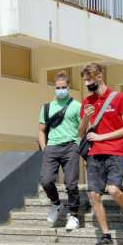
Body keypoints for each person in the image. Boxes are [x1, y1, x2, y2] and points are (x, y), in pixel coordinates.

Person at [78, 63, 123, 245]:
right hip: (94, 153)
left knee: (113, 190)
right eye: (85, 80)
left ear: (99, 78)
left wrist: (102, 136)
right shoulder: (87, 102)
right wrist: (86, 118)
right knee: (94, 195)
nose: (87, 84)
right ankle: (105, 235)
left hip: (115, 152)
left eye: (89, 80)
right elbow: (81, 133)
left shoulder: (119, 98)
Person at [38, 71, 81, 231]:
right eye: (58, 87)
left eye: (63, 87)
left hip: (70, 146)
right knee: (46, 180)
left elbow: (83, 128)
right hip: (52, 148)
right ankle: (56, 204)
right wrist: (45, 148)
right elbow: (41, 130)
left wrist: (77, 144)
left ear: (68, 87)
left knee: (71, 183)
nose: (61, 90)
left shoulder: (77, 106)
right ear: (54, 88)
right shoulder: (47, 107)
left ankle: (74, 215)